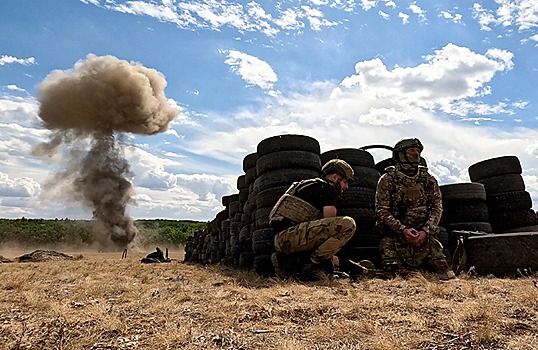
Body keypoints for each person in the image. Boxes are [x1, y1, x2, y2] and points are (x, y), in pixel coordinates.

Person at [375, 138, 455, 280]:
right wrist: (402, 229)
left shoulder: (428, 179)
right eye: (411, 150)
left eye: (418, 151)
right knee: (394, 273)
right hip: (395, 236)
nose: (416, 154)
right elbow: (382, 210)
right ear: (400, 154)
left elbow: (437, 207)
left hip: (424, 237)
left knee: (444, 273)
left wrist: (425, 231)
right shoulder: (388, 179)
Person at [270, 159, 357, 280]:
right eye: (345, 182)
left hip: (280, 239)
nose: (346, 187)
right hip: (292, 237)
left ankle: (289, 263)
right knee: (348, 224)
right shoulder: (329, 190)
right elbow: (330, 227)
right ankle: (309, 267)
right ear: (335, 177)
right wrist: (331, 257)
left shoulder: (305, 184)